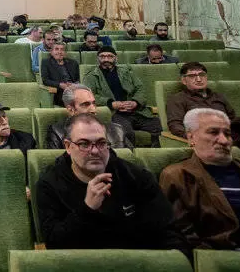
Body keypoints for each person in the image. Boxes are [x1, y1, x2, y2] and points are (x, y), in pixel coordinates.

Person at [34, 114, 185, 251]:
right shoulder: (49, 183)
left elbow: (167, 231)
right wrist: (87, 209)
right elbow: (54, 243)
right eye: (84, 144)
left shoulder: (136, 176)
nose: (95, 151)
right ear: (68, 146)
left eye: (101, 143)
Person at [160, 108, 240, 250]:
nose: (224, 140)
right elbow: (182, 235)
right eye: (213, 132)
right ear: (191, 137)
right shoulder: (177, 175)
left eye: (227, 134)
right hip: (219, 256)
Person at [84, 47, 162, 147]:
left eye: (110, 56)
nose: (106, 59)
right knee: (126, 132)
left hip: (136, 111)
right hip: (115, 114)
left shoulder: (126, 72)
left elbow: (140, 88)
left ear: (116, 58)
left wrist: (135, 102)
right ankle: (131, 154)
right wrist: (111, 103)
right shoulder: (91, 76)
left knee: (159, 126)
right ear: (98, 58)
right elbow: (89, 95)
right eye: (102, 56)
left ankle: (154, 152)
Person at [46, 85, 130, 150]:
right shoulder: (57, 132)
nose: (93, 109)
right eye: (85, 104)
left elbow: (131, 160)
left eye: (94, 103)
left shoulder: (118, 130)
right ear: (71, 110)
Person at [165, 62, 236, 137]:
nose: (199, 79)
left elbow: (232, 119)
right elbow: (175, 126)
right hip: (203, 138)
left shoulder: (218, 96)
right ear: (184, 80)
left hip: (228, 136)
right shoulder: (177, 99)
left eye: (202, 75)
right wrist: (196, 137)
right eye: (192, 76)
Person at [40, 41, 80, 106]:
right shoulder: (46, 62)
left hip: (74, 89)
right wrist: (60, 85)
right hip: (59, 92)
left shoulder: (73, 63)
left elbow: (78, 78)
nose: (59, 52)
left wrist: (73, 85)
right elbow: (45, 80)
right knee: (77, 101)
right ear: (51, 52)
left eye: (62, 49)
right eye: (56, 49)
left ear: (65, 52)